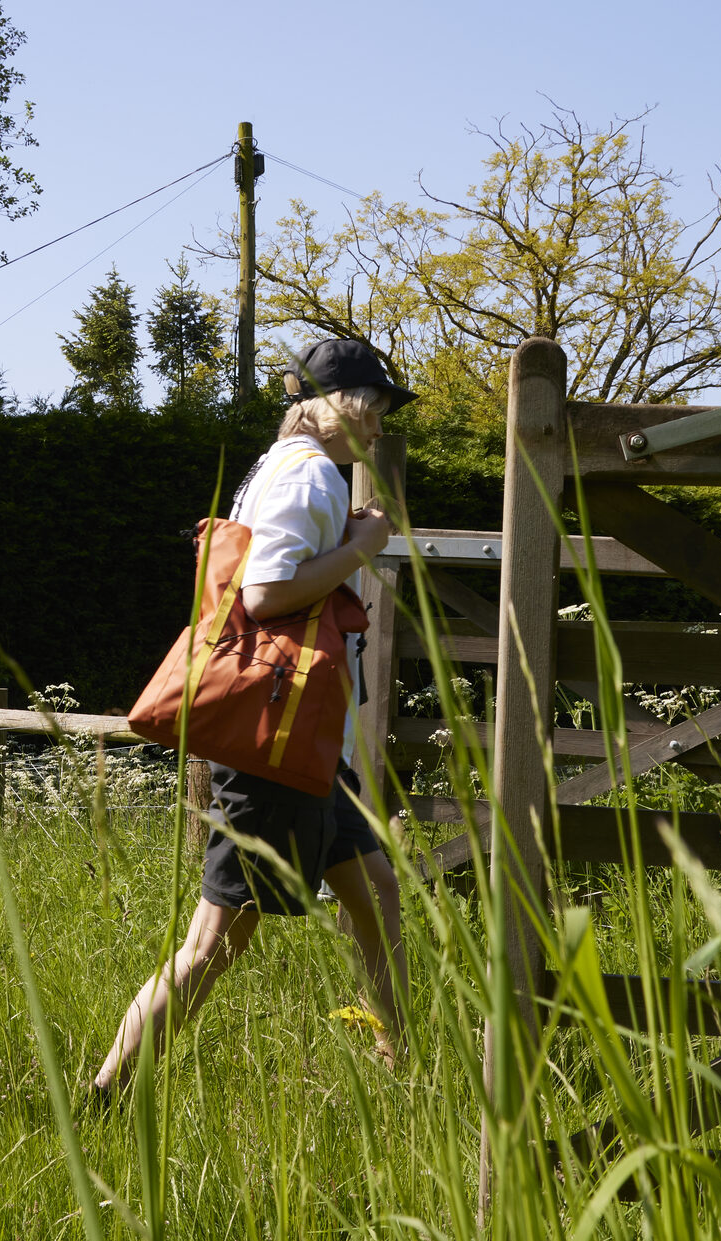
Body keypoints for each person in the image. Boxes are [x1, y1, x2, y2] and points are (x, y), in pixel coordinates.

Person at [91, 338, 416, 1095]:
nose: (382, 421)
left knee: (376, 889)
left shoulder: (280, 465)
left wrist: (347, 535)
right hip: (276, 741)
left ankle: (400, 1067)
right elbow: (266, 595)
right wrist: (365, 545)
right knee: (213, 944)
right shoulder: (308, 476)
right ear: (341, 402)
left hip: (298, 739)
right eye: (377, 404)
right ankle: (106, 1094)